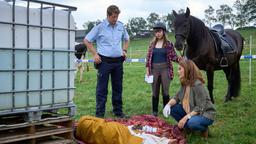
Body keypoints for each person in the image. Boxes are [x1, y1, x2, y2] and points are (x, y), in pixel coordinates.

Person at [84, 5, 129, 118]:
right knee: (102, 89)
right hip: (104, 62)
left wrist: (124, 50)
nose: (115, 19)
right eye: (113, 17)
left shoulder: (121, 26)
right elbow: (87, 40)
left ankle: (118, 111)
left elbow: (127, 39)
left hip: (118, 62)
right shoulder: (100, 27)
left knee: (118, 87)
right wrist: (95, 54)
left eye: (117, 17)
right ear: (108, 15)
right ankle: (99, 114)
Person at [163, 59, 216, 138]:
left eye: (180, 69)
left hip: (204, 114)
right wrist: (168, 105)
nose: (178, 71)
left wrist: (185, 118)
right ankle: (187, 128)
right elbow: (177, 97)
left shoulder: (198, 85)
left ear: (187, 69)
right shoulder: (185, 82)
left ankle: (204, 129)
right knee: (172, 108)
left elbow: (200, 107)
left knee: (192, 123)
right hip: (192, 111)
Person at [145, 22, 181, 117]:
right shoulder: (152, 44)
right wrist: (147, 69)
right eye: (156, 31)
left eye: (160, 31)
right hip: (154, 69)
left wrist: (180, 60)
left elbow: (173, 56)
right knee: (155, 90)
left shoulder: (169, 44)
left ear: (164, 32)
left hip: (165, 69)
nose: (158, 33)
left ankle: (166, 109)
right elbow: (148, 57)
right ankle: (154, 111)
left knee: (165, 90)